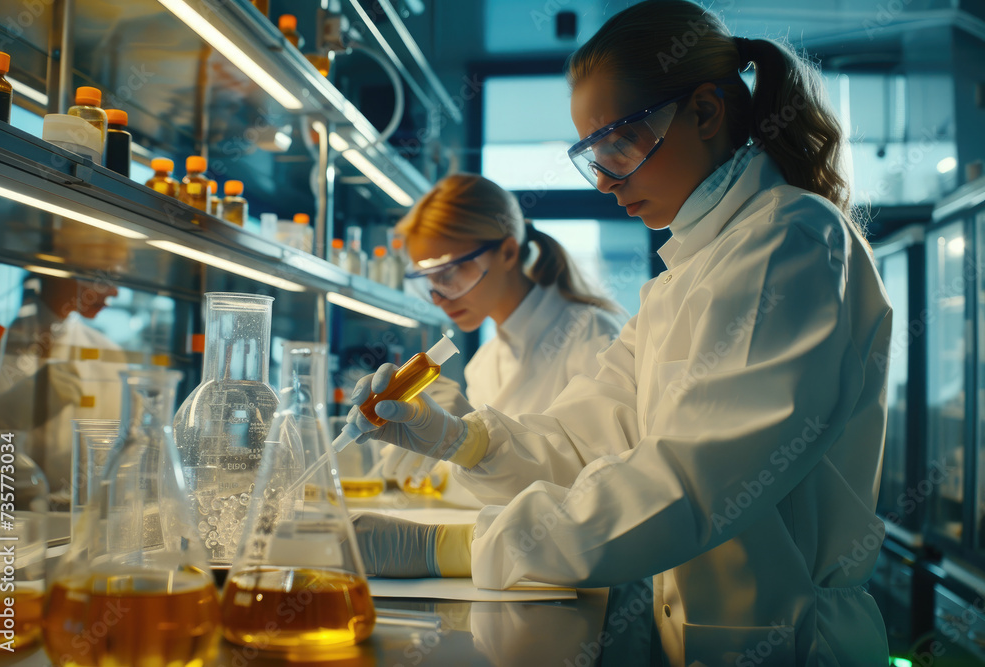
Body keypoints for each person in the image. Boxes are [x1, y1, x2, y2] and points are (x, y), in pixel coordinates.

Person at [347, 1, 891, 664]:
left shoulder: (788, 240)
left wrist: (482, 543)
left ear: (705, 112)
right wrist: (465, 438)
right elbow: (585, 438)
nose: (603, 181)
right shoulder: (683, 274)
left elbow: (695, 480)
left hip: (790, 640)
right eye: (592, 155)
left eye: (619, 146)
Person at [383, 173, 627, 490]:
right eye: (428, 280)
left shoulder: (589, 333)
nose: (439, 296)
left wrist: (471, 436)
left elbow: (609, 475)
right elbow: (496, 493)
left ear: (508, 252)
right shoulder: (483, 364)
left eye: (450, 272)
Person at [0, 275, 123, 499]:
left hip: (69, 522)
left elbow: (113, 458)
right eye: (100, 272)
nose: (114, 291)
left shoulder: (108, 356)